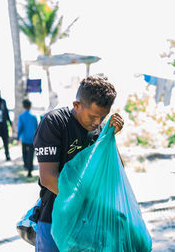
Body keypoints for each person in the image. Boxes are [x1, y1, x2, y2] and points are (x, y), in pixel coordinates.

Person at [33, 75, 124, 252]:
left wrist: (109, 137)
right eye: (93, 116)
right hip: (53, 218)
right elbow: (48, 178)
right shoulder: (54, 122)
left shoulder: (99, 128)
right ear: (76, 105)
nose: (97, 122)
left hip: (89, 222)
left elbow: (115, 171)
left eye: (102, 117)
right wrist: (86, 206)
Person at [17, 99, 38, 177]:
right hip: (32, 140)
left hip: (24, 139)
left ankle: (26, 166)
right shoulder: (34, 117)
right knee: (31, 155)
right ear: (30, 106)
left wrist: (17, 137)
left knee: (24, 154)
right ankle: (29, 170)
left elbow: (20, 128)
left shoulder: (21, 117)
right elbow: (37, 129)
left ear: (23, 106)